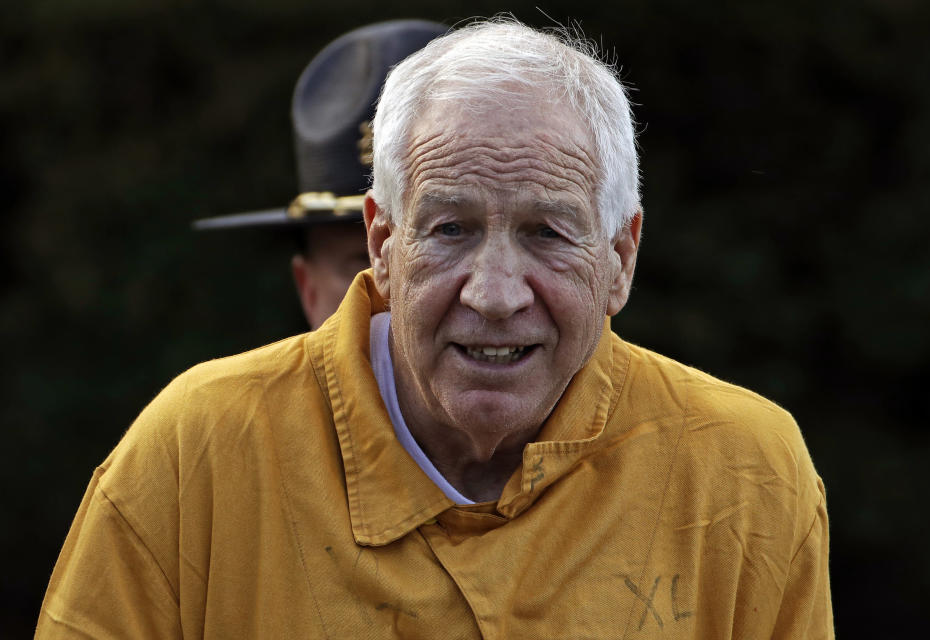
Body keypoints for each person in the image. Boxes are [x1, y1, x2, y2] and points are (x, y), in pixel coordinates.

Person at [36, 18, 833, 639]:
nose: (492, 294)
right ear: (383, 244)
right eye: (449, 228)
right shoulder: (193, 455)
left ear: (620, 258)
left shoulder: (744, 473)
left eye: (547, 233)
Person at [192, 20, 446, 329]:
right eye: (365, 261)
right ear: (308, 290)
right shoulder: (236, 381)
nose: (401, 285)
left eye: (447, 235)